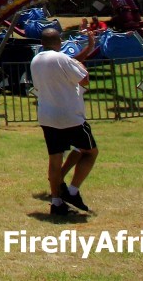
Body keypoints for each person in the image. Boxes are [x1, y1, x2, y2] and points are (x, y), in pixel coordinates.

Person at [30, 28, 98, 216]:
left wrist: (88, 48)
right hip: (70, 116)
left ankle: (57, 202)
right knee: (90, 152)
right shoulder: (62, 59)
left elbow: (69, 64)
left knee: (55, 158)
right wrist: (85, 67)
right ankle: (73, 192)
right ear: (60, 42)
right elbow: (83, 79)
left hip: (47, 116)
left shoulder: (36, 60)